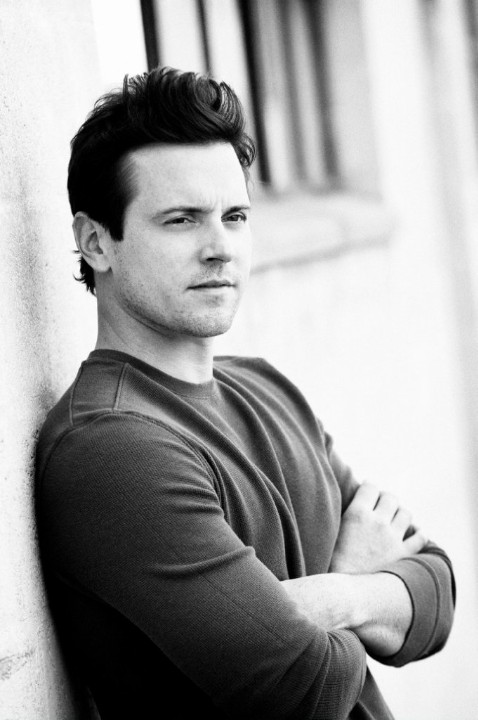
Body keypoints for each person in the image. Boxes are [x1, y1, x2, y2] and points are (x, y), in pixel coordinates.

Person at [36, 67, 455, 720]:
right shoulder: (112, 449)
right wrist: (361, 578)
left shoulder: (265, 386)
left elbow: (438, 593)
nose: (219, 248)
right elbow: (302, 692)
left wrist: (336, 598)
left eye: (234, 216)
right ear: (96, 243)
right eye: (181, 220)